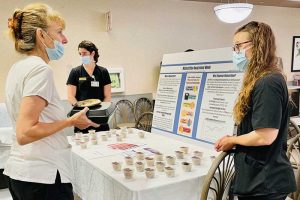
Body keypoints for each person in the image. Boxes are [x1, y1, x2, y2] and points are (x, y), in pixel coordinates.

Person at [4, 3, 99, 200]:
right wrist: (71, 122)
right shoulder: (40, 70)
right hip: (42, 179)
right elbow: (25, 132)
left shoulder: (18, 68)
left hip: (22, 173)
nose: (65, 40)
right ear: (41, 35)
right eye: (59, 32)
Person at [215, 21, 296, 200]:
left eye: (239, 46)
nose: (235, 53)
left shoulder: (268, 83)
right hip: (256, 178)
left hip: (265, 181)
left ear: (258, 45)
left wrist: (233, 140)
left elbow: (265, 136)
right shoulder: (261, 80)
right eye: (233, 47)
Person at [66, 40, 112, 133]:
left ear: (92, 53)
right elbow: (71, 96)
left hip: (100, 117)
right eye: (80, 54)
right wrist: (79, 110)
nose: (82, 56)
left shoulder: (103, 72)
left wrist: (99, 112)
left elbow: (107, 96)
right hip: (82, 117)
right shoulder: (75, 72)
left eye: (84, 53)